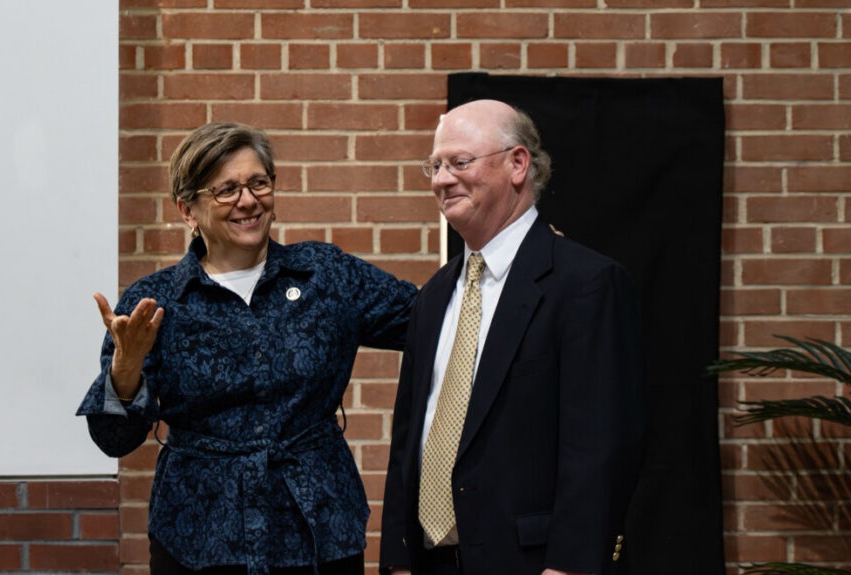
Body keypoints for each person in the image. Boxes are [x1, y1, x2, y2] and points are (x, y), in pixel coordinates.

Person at [76, 122, 418, 575]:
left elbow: (429, 319)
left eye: (259, 182)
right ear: (187, 210)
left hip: (317, 527)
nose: (248, 200)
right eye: (226, 190)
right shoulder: (154, 303)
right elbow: (113, 441)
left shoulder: (325, 275)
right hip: (199, 535)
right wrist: (127, 367)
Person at [379, 100, 645, 575]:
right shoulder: (434, 297)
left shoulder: (585, 284)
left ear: (517, 164)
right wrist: (398, 562)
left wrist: (570, 567)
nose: (441, 179)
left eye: (459, 162)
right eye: (435, 166)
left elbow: (601, 446)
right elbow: (408, 444)